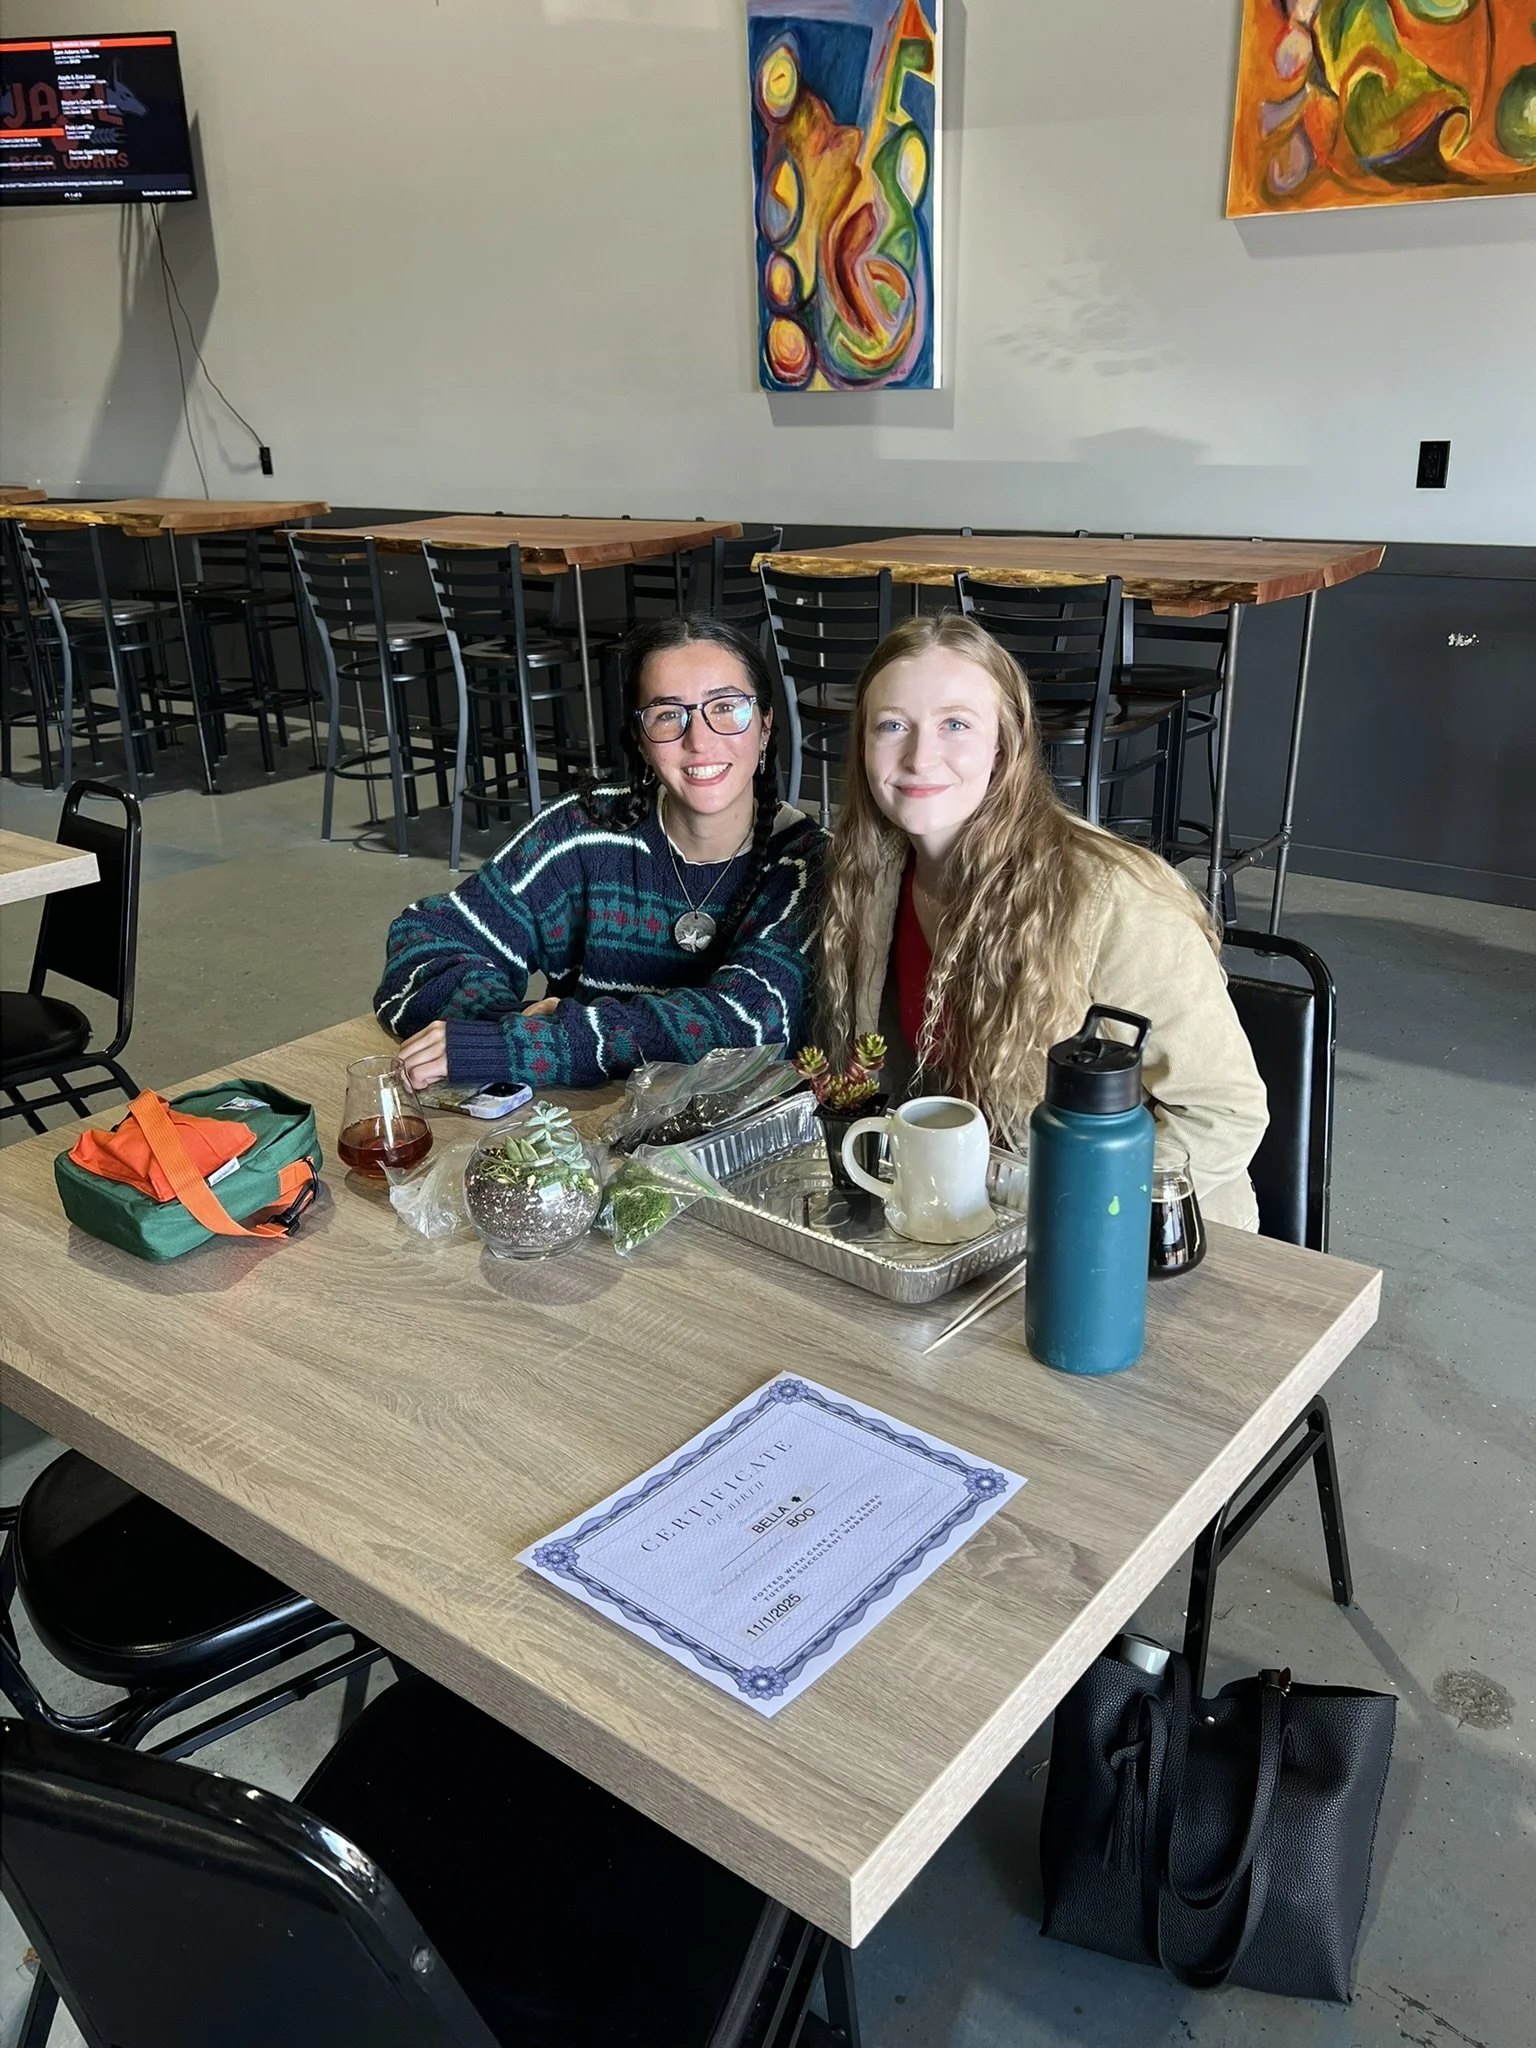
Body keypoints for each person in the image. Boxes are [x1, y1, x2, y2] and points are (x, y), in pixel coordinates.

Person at [816, 612, 1269, 1227]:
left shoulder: (1112, 896)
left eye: (956, 725)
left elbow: (1223, 1112)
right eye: (893, 725)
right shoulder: (870, 876)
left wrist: (1064, 1205)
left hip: (1131, 1238)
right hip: (965, 1222)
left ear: (1005, 744)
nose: (921, 756)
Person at [378, 616, 822, 1092]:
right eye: (668, 715)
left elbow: (746, 1027)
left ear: (766, 725)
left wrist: (528, 1045)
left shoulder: (805, 865)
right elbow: (423, 943)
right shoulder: (584, 835)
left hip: (743, 1148)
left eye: (727, 707)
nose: (700, 740)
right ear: (640, 742)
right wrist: (508, 1023)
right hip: (578, 1138)